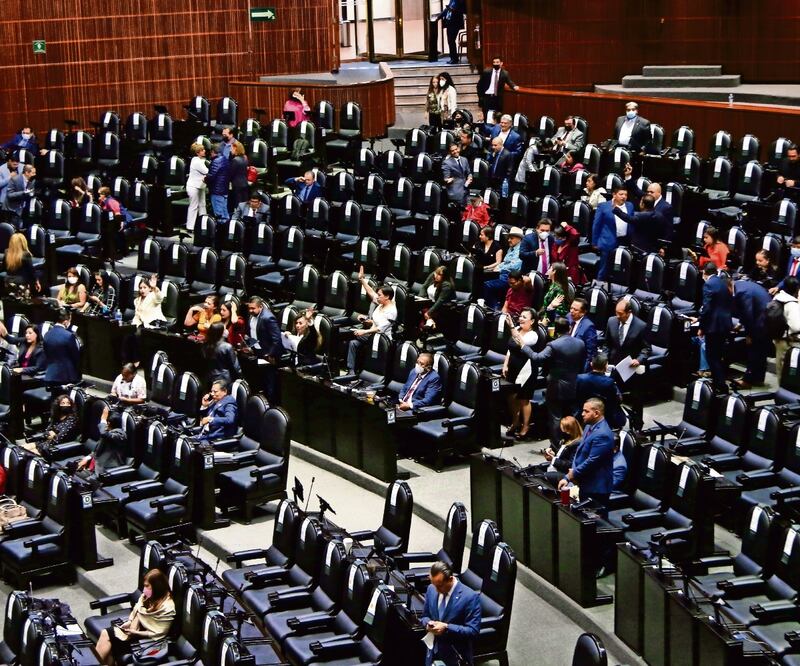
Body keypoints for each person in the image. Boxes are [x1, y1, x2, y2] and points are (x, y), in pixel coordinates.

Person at [512, 317, 585, 446]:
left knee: (555, 418)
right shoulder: (580, 343)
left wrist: (523, 346)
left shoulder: (554, 345)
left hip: (556, 387)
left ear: (555, 331)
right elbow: (582, 365)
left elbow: (537, 358)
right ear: (569, 329)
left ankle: (556, 446)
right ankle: (573, 444)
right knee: (571, 416)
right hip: (574, 385)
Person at [94, 569, 176, 666]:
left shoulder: (167, 607)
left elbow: (158, 633)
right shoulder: (148, 597)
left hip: (149, 641)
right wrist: (130, 621)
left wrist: (135, 632)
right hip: (136, 630)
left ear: (156, 587)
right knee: (106, 639)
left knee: (107, 636)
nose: (144, 589)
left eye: (147, 586)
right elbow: (137, 609)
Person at [558, 398, 616, 513]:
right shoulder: (589, 426)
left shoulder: (602, 434)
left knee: (595, 523)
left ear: (596, 413)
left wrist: (571, 475)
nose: (582, 414)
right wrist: (572, 473)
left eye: (586, 411)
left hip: (596, 488)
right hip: (585, 482)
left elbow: (592, 461)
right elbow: (580, 452)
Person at [420, 561, 481, 666]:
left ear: (451, 579)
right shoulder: (432, 589)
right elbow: (425, 616)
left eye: (439, 586)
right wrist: (427, 624)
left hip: (455, 655)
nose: (436, 590)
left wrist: (447, 627)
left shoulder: (470, 597)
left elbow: (473, 631)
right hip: (432, 650)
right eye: (433, 584)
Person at [605, 298, 651, 426]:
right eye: (616, 313)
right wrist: (604, 358)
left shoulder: (641, 326)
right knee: (611, 396)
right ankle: (615, 424)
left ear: (629, 312)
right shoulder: (611, 321)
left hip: (632, 369)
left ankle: (637, 428)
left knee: (637, 400)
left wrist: (639, 359)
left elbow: (646, 348)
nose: (617, 316)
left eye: (620, 314)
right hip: (615, 366)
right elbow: (607, 345)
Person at [347, 268, 397, 371]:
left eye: (379, 295)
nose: (377, 297)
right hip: (372, 335)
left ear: (387, 297)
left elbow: (380, 329)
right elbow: (371, 292)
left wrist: (364, 331)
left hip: (383, 339)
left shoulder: (391, 311)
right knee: (353, 343)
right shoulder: (381, 302)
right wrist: (362, 280)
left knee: (348, 333)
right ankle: (351, 371)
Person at [502, 308, 540, 440]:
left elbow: (519, 342)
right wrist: (505, 364)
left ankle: (525, 426)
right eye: (521, 316)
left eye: (525, 317)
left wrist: (511, 326)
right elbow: (509, 349)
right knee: (511, 396)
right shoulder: (517, 329)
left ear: (532, 321)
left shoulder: (533, 335)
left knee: (524, 398)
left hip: (526, 369)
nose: (521, 319)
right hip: (512, 367)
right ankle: (515, 421)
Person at [696, 263, 733, 393]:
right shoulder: (722, 282)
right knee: (718, 355)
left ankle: (721, 386)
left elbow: (707, 308)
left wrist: (701, 326)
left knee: (712, 356)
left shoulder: (708, 284)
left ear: (704, 272)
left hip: (714, 326)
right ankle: (719, 382)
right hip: (725, 324)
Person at [730, 279, 771, 389]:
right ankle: (758, 379)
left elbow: (748, 313)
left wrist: (749, 335)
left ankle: (747, 381)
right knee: (761, 351)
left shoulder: (741, 292)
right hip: (764, 317)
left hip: (762, 320)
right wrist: (740, 324)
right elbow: (746, 310)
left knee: (754, 349)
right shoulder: (738, 286)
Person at [244, 296, 283, 404]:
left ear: (260, 307)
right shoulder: (251, 316)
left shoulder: (268, 318)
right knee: (260, 381)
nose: (251, 311)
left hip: (268, 356)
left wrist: (269, 354)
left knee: (270, 383)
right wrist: (250, 346)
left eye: (253, 308)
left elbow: (276, 339)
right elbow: (252, 333)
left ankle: (272, 406)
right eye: (249, 308)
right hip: (257, 352)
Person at [593, 186, 633, 282]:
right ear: (614, 195)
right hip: (608, 241)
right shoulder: (603, 206)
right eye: (621, 194)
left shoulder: (630, 205)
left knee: (621, 268)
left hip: (625, 241)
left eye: (625, 195)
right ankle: (598, 288)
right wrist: (595, 242)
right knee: (604, 267)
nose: (624, 197)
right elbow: (596, 224)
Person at [575, 354, 625, 429]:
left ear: (591, 364)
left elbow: (576, 396)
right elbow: (618, 400)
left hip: (583, 414)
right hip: (606, 417)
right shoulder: (609, 382)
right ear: (606, 366)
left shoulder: (580, 378)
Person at [77, 407, 129, 477]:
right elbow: (98, 450)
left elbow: (103, 433)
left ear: (108, 423)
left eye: (105, 423)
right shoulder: (108, 432)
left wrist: (103, 419)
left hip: (105, 472)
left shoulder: (120, 435)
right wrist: (87, 458)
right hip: (94, 467)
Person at [482, 226, 522, 309]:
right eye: (508, 238)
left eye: (511, 238)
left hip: (509, 277)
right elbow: (505, 262)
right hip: (501, 274)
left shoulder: (521, 250)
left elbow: (515, 265)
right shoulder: (511, 249)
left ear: (519, 238)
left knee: (487, 285)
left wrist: (500, 268)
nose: (508, 240)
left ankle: (493, 308)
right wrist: (498, 266)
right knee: (481, 279)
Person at [42, 309, 81, 389]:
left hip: (50, 375)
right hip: (66, 376)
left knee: (54, 400)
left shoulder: (47, 334)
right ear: (66, 322)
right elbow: (75, 356)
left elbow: (46, 353)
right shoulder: (69, 336)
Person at [540, 416, 584, 485]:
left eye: (564, 429)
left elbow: (570, 465)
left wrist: (553, 459)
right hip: (556, 467)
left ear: (571, 430)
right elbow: (561, 455)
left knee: (540, 477)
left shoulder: (577, 444)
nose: (562, 431)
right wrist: (552, 453)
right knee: (534, 469)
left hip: (566, 474)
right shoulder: (565, 439)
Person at [772, 276, 800, 379]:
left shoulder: (777, 297)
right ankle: (788, 390)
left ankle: (781, 389)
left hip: (777, 338)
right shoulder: (791, 304)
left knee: (779, 366)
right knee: (789, 370)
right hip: (788, 341)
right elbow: (796, 326)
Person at [476, 56, 519, 121]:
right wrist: (481, 97)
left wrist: (514, 86)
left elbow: (509, 81)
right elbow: (479, 85)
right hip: (487, 97)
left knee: (497, 117)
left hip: (497, 98)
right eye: (494, 62)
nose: (495, 64)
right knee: (486, 116)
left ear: (501, 63)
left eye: (497, 62)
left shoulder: (504, 73)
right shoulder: (486, 72)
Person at [418, 266, 455, 330]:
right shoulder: (433, 275)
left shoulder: (447, 285)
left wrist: (429, 312)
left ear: (444, 276)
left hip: (441, 308)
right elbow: (424, 286)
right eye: (436, 273)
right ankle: (430, 322)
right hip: (430, 304)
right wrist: (420, 299)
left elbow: (440, 301)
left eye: (439, 275)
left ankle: (428, 324)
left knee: (422, 319)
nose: (436, 276)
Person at [567, 298, 597, 372]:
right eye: (571, 308)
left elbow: (591, 354)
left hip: (577, 366)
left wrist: (584, 373)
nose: (571, 311)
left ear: (583, 313)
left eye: (575, 310)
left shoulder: (589, 327)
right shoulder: (568, 317)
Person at [4, 232, 38, 296]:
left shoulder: (6, 252)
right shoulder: (26, 254)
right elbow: (31, 271)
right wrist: (37, 281)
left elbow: (4, 267)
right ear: (23, 243)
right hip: (21, 283)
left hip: (8, 282)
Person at [205, 143, 231, 222]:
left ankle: (221, 232)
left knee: (219, 215)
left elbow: (212, 176)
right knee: (225, 214)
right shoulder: (225, 159)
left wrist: (205, 179)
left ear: (213, 152)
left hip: (217, 191)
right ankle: (226, 231)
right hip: (224, 190)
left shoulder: (216, 161)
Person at [186, 142, 208, 229]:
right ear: (197, 153)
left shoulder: (200, 160)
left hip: (200, 186)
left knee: (202, 205)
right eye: (202, 150)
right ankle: (190, 227)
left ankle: (204, 224)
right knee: (194, 206)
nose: (204, 151)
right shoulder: (196, 161)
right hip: (193, 187)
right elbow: (206, 171)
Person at [228, 140, 250, 210]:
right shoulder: (245, 158)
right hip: (245, 183)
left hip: (237, 185)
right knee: (245, 203)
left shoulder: (235, 160)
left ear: (236, 148)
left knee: (238, 204)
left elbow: (231, 173)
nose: (231, 150)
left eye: (232, 148)